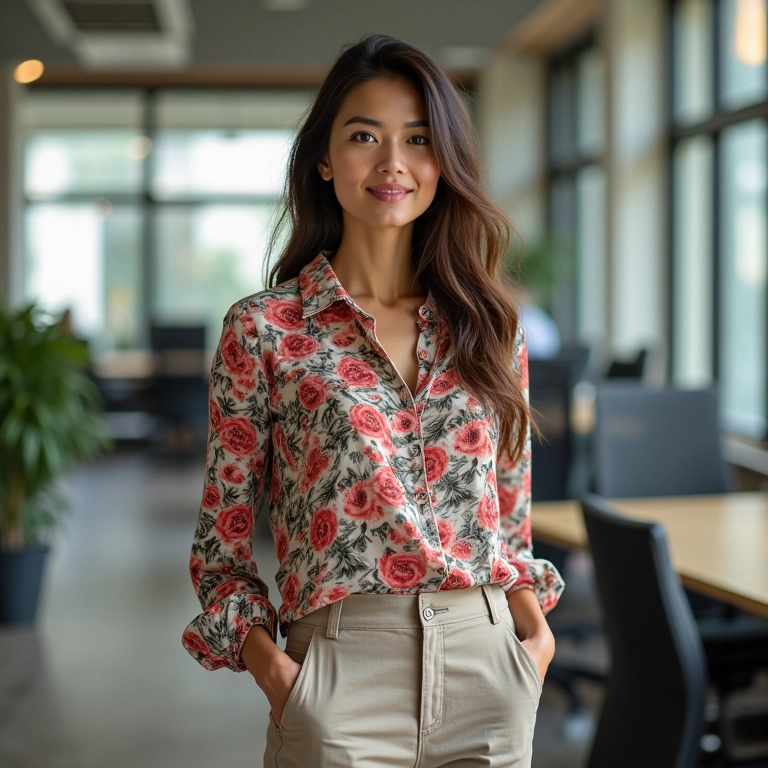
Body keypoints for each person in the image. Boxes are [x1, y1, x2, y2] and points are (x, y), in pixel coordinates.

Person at [181, 33, 565, 768]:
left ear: (442, 161)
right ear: (325, 159)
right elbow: (221, 545)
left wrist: (531, 650)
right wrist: (282, 678)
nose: (393, 163)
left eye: (418, 139)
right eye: (365, 136)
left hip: (490, 674)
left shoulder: (490, 329)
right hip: (337, 678)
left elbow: (508, 524)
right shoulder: (264, 330)